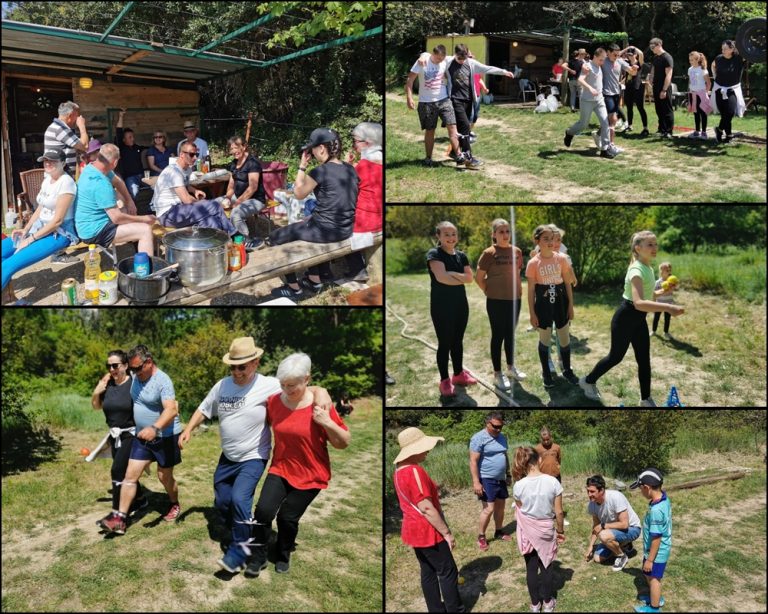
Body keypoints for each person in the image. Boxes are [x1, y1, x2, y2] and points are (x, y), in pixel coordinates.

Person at [178, 338, 332, 574]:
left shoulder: (269, 385)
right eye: (232, 367)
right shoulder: (222, 386)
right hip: (228, 457)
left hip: (253, 456)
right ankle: (246, 533)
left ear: (255, 363)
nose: (236, 372)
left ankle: (241, 550)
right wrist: (188, 429)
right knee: (222, 502)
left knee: (240, 500)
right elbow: (203, 408)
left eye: (242, 366)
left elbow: (302, 387)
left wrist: (322, 392)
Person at [244, 353, 350, 577]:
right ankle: (258, 556)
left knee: (287, 518)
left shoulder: (320, 405)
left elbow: (343, 443)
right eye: (283, 385)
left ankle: (283, 553)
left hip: (311, 474)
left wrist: (327, 422)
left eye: (292, 385)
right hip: (281, 467)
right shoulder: (274, 401)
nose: (287, 390)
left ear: (307, 379)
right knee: (263, 511)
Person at [579, 231, 685, 406]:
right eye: (650, 244)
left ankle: (645, 399)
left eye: (655, 244)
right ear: (638, 248)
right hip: (626, 318)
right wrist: (668, 307)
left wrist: (663, 291)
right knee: (615, 357)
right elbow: (639, 303)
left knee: (644, 359)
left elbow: (649, 296)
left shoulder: (648, 267)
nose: (654, 247)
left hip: (638, 320)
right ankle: (588, 381)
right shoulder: (636, 270)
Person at [100, 345, 182, 535]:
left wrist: (155, 428)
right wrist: (106, 378)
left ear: (149, 362)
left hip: (165, 437)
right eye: (132, 369)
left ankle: (174, 503)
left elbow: (171, 409)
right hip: (141, 437)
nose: (134, 372)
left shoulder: (163, 381)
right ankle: (120, 519)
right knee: (130, 476)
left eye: (137, 368)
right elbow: (119, 378)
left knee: (164, 477)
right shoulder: (136, 376)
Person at [268, 128, 358, 299]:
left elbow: (298, 193)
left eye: (312, 149)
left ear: (322, 148)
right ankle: (316, 280)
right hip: (345, 228)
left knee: (276, 237)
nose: (312, 153)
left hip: (326, 231)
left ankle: (294, 289)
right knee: (307, 223)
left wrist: (302, 166)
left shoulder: (320, 171)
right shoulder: (350, 169)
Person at [393, 427, 464, 613]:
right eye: (424, 447)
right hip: (426, 530)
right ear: (414, 449)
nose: (428, 450)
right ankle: (455, 610)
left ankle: (435, 609)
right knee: (448, 571)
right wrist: (447, 533)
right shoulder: (414, 471)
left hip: (413, 529)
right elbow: (425, 507)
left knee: (428, 571)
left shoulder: (398, 470)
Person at [417, 44, 515, 168]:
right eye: (459, 59)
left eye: (464, 59)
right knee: (464, 128)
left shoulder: (471, 63)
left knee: (464, 127)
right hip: (454, 100)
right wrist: (422, 55)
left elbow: (487, 68)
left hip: (468, 100)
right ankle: (468, 157)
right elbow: (430, 55)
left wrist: (504, 72)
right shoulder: (449, 61)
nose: (462, 61)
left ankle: (454, 152)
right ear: (455, 55)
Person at [2, 149, 78, 302]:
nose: (48, 163)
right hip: (38, 228)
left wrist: (30, 240)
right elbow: (40, 208)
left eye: (53, 160)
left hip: (58, 234)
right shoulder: (47, 180)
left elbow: (57, 221)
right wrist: (26, 230)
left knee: (9, 264)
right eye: (45, 160)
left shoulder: (66, 183)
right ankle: (6, 295)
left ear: (63, 163)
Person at [92, 350, 148, 530]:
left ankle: (117, 515)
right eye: (108, 366)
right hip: (115, 435)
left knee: (117, 471)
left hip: (131, 434)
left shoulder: (134, 385)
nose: (111, 369)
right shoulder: (107, 385)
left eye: (115, 365)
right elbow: (96, 406)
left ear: (125, 365)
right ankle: (139, 499)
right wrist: (96, 391)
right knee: (126, 472)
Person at [74, 143, 156, 256]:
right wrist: (144, 219)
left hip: (89, 222)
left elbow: (118, 182)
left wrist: (129, 201)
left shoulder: (92, 167)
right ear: (115, 163)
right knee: (145, 230)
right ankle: (146, 270)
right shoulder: (101, 183)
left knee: (128, 211)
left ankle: (138, 249)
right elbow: (117, 218)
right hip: (93, 232)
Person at [475, 218, 527, 391]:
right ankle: (497, 373)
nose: (505, 235)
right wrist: (489, 291)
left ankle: (511, 368)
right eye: (501, 232)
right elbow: (479, 278)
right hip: (496, 301)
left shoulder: (517, 251)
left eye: (507, 231)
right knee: (498, 336)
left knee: (510, 334)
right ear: (494, 235)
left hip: (515, 300)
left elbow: (518, 274)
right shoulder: (489, 253)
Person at [512, 446, 565, 613]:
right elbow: (559, 511)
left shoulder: (518, 486)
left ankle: (535, 605)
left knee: (531, 568)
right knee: (547, 565)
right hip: (546, 529)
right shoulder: (553, 482)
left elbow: (520, 508)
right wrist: (561, 531)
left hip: (527, 531)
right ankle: (548, 603)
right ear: (539, 460)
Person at [427, 221, 476, 398]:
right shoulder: (434, 254)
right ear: (438, 236)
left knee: (458, 341)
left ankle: (458, 375)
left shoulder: (461, 256)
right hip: (441, 306)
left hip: (460, 305)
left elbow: (470, 279)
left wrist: (453, 275)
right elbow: (441, 278)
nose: (451, 238)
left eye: (453, 234)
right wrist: (459, 277)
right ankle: (444, 381)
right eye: (446, 234)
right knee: (445, 343)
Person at [525, 225, 578, 388]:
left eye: (552, 239)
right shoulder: (533, 263)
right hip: (543, 304)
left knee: (564, 338)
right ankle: (546, 373)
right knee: (545, 340)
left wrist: (570, 306)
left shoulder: (561, 258)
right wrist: (532, 313)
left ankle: (567, 370)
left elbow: (568, 283)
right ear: (537, 241)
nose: (550, 242)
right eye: (545, 239)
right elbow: (531, 290)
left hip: (561, 302)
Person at [151, 143, 236, 235]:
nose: (195, 158)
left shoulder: (187, 169)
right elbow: (187, 200)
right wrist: (202, 203)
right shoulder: (174, 172)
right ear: (181, 155)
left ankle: (213, 245)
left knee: (211, 220)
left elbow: (186, 185)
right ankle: (233, 234)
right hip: (168, 214)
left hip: (179, 210)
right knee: (214, 205)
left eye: (197, 154)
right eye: (191, 154)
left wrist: (195, 191)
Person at [43, 100, 89, 264]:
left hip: (59, 175)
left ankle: (65, 244)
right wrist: (82, 127)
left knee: (63, 213)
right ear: (70, 116)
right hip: (59, 177)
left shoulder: (59, 128)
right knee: (62, 215)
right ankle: (58, 253)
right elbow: (84, 145)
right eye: (77, 115)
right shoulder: (60, 129)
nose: (78, 118)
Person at [405, 44, 462, 168]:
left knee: (452, 127)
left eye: (441, 59)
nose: (438, 61)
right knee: (430, 130)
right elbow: (410, 80)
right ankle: (428, 158)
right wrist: (409, 98)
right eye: (436, 59)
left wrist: (468, 55)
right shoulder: (422, 62)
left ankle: (459, 155)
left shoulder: (446, 60)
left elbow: (460, 56)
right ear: (432, 54)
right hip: (426, 102)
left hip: (444, 100)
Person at [343, 122, 383, 282]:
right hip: (379, 217)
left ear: (367, 143)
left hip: (366, 222)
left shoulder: (363, 166)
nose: (353, 146)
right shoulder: (377, 161)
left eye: (355, 142)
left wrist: (346, 166)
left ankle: (357, 269)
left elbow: (344, 188)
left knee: (336, 226)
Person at [630, 468, 672, 613]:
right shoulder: (663, 499)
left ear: (647, 488)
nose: (640, 492)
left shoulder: (656, 511)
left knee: (654, 579)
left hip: (657, 553)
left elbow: (657, 537)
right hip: (653, 552)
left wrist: (650, 560)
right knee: (648, 574)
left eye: (640, 488)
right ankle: (656, 597)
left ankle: (654, 608)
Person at [470, 412, 512, 550]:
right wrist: (476, 482)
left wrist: (508, 474)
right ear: (487, 423)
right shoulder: (478, 438)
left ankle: (499, 531)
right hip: (486, 478)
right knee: (489, 509)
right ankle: (481, 537)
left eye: (501, 426)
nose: (499, 429)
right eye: (495, 426)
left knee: (500, 507)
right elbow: (473, 461)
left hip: (500, 478)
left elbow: (504, 456)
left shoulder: (502, 437)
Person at [563, 48, 616, 159]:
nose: (602, 62)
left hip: (599, 100)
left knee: (605, 122)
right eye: (601, 60)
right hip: (587, 100)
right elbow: (580, 80)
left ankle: (605, 149)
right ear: (595, 57)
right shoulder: (587, 66)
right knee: (583, 124)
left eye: (603, 60)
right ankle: (569, 133)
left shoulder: (599, 65)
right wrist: (590, 88)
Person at [217, 135, 267, 251]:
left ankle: (244, 241)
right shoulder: (234, 164)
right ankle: (224, 236)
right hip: (238, 196)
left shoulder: (253, 163)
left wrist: (237, 202)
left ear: (244, 147)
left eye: (236, 147)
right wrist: (228, 198)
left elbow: (253, 188)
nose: (233, 151)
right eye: (231, 148)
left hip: (255, 200)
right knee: (215, 203)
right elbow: (231, 185)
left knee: (236, 213)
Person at [584, 474, 642, 572]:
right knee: (597, 558)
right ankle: (624, 545)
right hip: (614, 531)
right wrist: (590, 547)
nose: (589, 494)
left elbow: (624, 524)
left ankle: (622, 556)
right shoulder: (592, 504)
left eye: (592, 491)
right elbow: (596, 526)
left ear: (601, 490)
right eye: (588, 491)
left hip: (632, 529)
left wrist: (603, 526)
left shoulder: (616, 497)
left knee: (603, 535)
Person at [603, 44, 638, 152]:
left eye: (618, 55)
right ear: (608, 52)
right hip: (605, 93)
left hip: (617, 93)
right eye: (614, 54)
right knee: (613, 118)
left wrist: (634, 69)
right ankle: (611, 144)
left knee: (609, 120)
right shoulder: (603, 61)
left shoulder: (619, 61)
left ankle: (600, 134)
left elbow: (631, 72)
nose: (616, 57)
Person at [711, 40, 746, 144]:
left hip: (732, 90)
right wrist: (715, 77)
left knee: (730, 112)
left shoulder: (739, 59)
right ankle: (729, 136)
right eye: (722, 48)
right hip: (719, 89)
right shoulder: (718, 58)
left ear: (732, 49)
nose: (723, 50)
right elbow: (713, 65)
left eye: (725, 48)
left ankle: (719, 130)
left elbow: (749, 52)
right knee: (724, 114)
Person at [534, 427, 569, 526]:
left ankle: (559, 516)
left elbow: (559, 459)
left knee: (557, 497)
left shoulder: (557, 447)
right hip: (543, 476)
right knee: (544, 497)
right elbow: (536, 462)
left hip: (556, 475)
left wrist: (557, 467)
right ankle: (546, 516)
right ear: (541, 438)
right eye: (543, 439)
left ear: (551, 437)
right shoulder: (537, 448)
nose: (546, 441)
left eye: (547, 439)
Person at [114, 108, 146, 199]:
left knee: (156, 186)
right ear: (124, 140)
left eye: (133, 136)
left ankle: (151, 207)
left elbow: (149, 148)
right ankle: (132, 212)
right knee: (134, 193)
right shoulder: (121, 147)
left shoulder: (137, 147)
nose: (133, 139)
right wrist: (121, 116)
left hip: (142, 176)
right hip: (130, 178)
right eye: (130, 137)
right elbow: (119, 131)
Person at [648, 38, 674, 139]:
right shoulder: (655, 57)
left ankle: (669, 131)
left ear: (659, 45)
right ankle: (662, 129)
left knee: (667, 110)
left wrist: (664, 90)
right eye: (650, 47)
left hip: (665, 87)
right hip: (656, 86)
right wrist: (650, 78)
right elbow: (653, 68)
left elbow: (669, 75)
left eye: (653, 47)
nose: (652, 49)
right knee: (659, 109)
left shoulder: (667, 57)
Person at [623, 47, 650, 136]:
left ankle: (645, 128)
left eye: (631, 55)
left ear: (635, 55)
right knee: (629, 107)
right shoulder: (626, 63)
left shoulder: (639, 63)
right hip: (628, 87)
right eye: (628, 55)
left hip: (638, 87)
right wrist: (627, 49)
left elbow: (641, 54)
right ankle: (630, 125)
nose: (630, 57)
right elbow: (619, 55)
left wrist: (634, 47)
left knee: (640, 107)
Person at [687, 52, 712, 139]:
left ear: (697, 60)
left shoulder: (703, 70)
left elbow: (708, 83)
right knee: (695, 112)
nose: (690, 62)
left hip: (701, 94)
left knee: (703, 113)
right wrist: (690, 90)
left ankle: (704, 132)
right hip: (692, 93)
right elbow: (690, 81)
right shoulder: (690, 69)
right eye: (690, 60)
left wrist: (705, 93)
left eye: (692, 60)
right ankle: (697, 131)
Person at [651, 262, 676, 339]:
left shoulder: (671, 281)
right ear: (661, 271)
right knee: (656, 318)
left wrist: (672, 285)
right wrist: (653, 303)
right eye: (667, 270)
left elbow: (675, 288)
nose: (669, 271)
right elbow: (654, 293)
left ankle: (666, 332)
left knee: (667, 319)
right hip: (659, 303)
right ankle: (653, 331)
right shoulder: (658, 282)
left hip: (669, 303)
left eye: (670, 269)